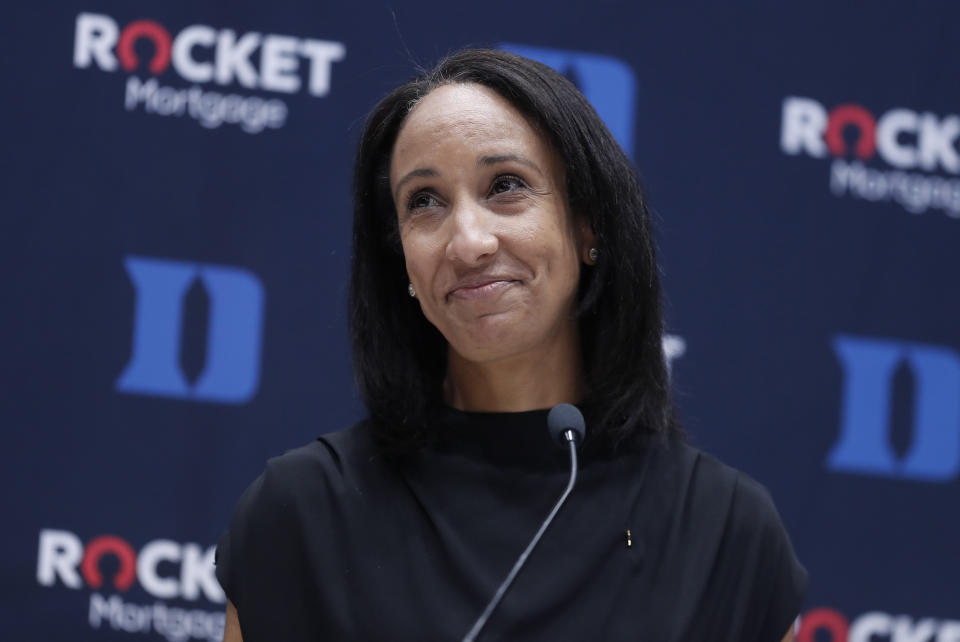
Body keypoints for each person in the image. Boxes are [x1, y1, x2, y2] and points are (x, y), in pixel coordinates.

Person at [215, 48, 807, 641]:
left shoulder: (728, 534)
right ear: (403, 263)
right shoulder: (301, 513)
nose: (468, 242)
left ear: (588, 228)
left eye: (505, 186)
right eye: (425, 201)